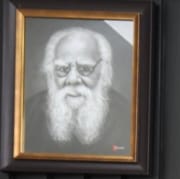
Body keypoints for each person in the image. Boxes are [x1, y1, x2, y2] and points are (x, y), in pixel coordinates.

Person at [23, 26, 131, 156]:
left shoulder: (127, 116)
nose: (73, 79)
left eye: (85, 68)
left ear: (103, 70)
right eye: (62, 69)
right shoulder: (27, 114)